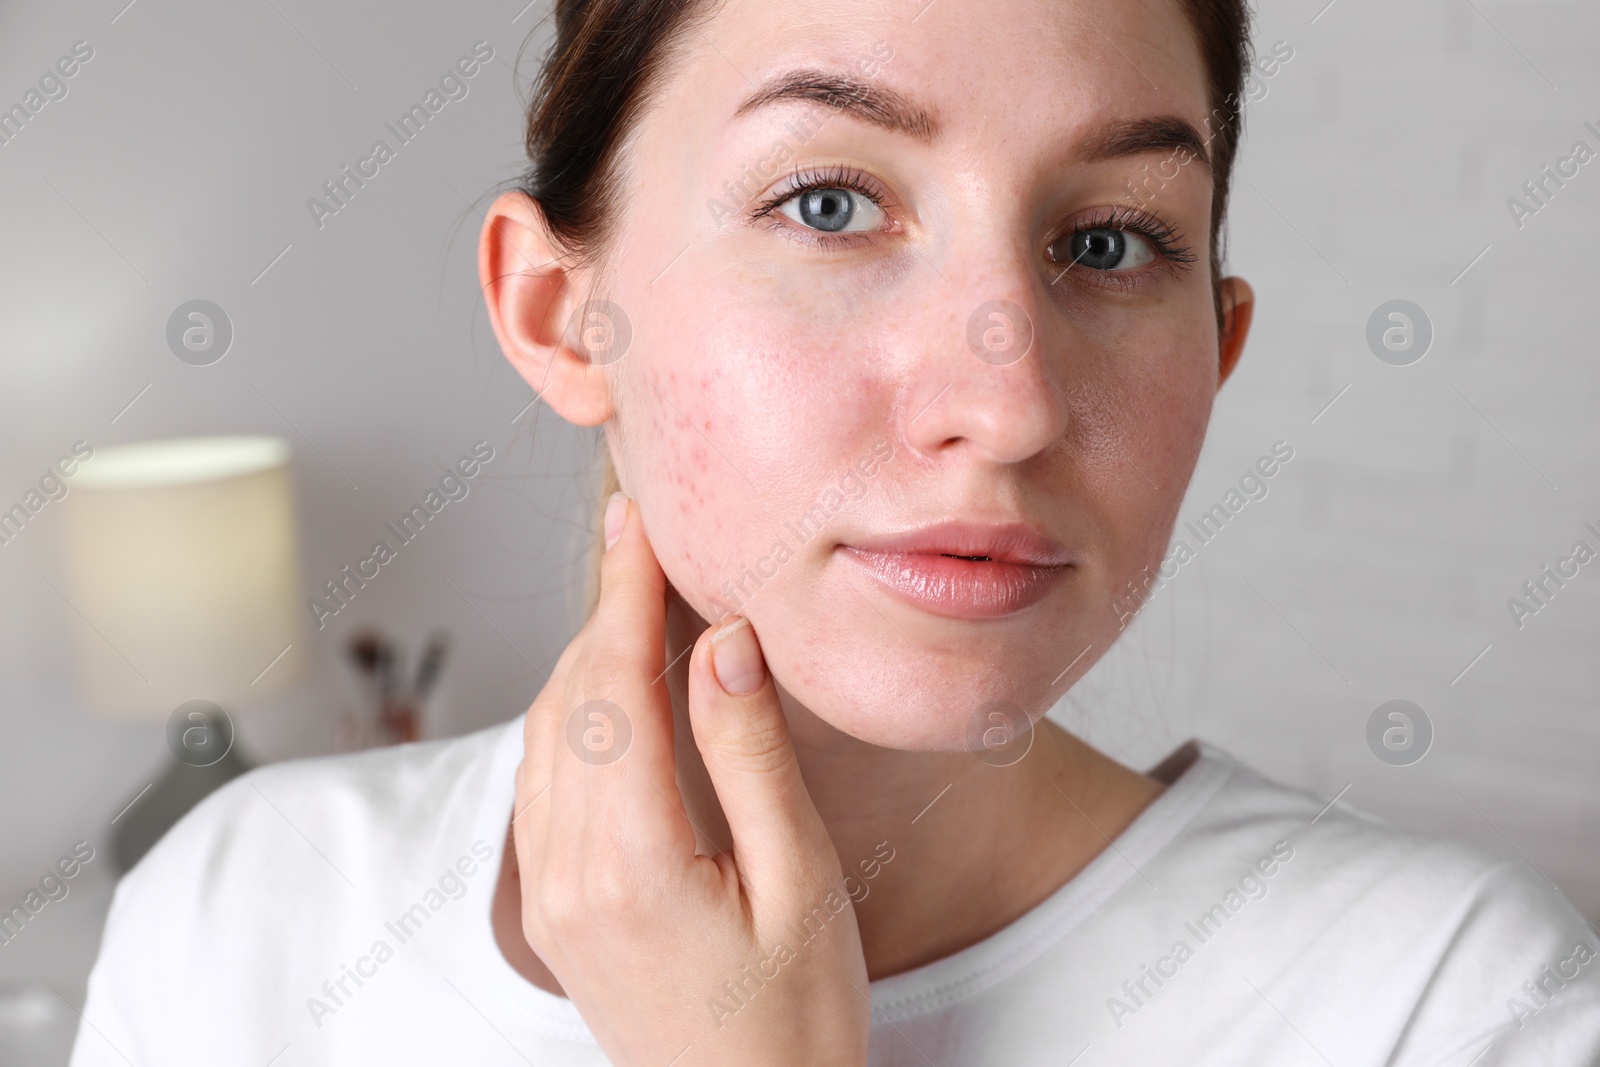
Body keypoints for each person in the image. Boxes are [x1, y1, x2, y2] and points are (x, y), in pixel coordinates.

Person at [71, 0, 1600, 1063]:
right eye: (828, 205)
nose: (1007, 406)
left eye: (1110, 240)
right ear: (560, 312)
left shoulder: (1453, 1009)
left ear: (1220, 340)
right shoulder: (237, 914)